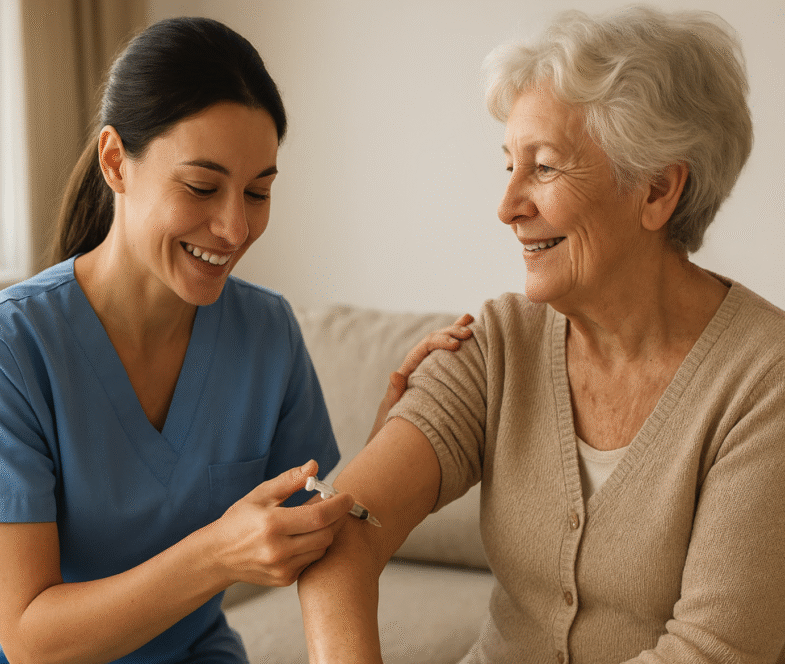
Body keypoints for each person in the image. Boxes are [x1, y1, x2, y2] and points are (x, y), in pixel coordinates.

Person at [297, 6, 785, 663]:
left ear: (658, 189)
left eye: (544, 168)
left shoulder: (773, 376)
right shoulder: (498, 346)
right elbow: (341, 533)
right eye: (509, 166)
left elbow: (711, 653)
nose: (508, 207)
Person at [0, 16, 471, 664]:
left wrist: (393, 435)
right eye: (201, 187)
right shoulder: (15, 349)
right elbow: (29, 639)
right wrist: (218, 552)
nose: (233, 226)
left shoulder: (266, 334)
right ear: (116, 161)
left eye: (258, 191)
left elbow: (317, 525)